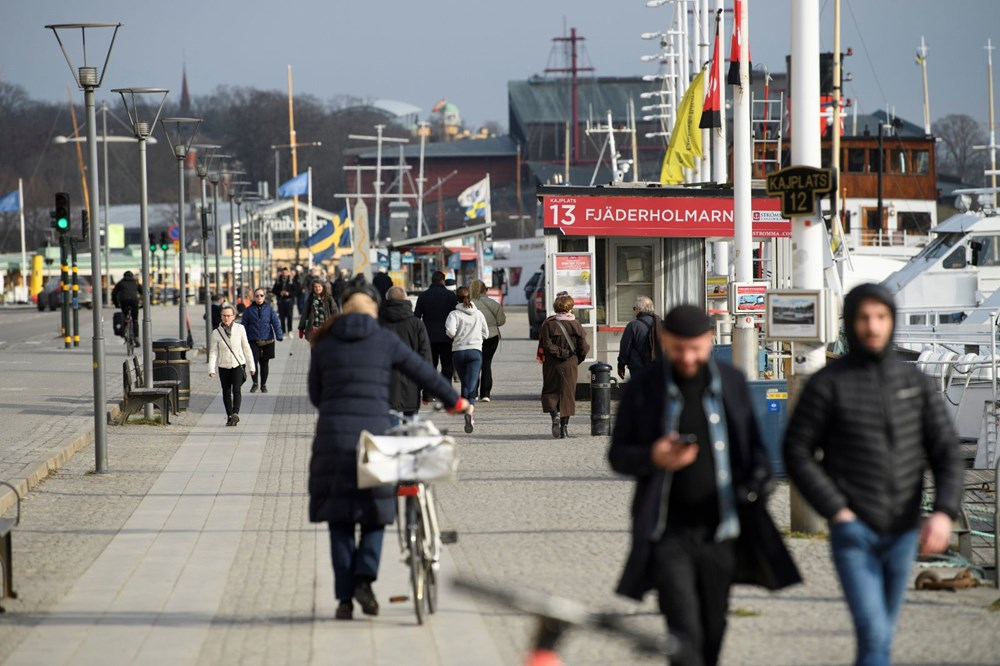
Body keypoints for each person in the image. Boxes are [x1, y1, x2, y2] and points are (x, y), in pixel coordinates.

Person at [609, 304, 800, 666]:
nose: (688, 357)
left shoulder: (730, 381)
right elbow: (618, 456)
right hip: (667, 531)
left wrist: (758, 485)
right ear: (665, 341)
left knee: (713, 628)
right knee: (683, 631)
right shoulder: (644, 389)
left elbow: (756, 453)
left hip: (722, 529)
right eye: (679, 348)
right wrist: (654, 456)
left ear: (710, 341)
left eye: (696, 348)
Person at [783, 284, 962, 666]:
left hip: (904, 530)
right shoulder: (827, 383)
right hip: (853, 532)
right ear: (850, 322)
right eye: (864, 317)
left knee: (883, 634)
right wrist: (836, 510)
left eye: (881, 317)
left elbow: (946, 452)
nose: (873, 326)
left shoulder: (915, 383)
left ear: (891, 321)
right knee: (874, 635)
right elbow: (796, 451)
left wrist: (944, 512)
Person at [308, 276, 470, 621]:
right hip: (375, 441)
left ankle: (344, 600)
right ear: (373, 309)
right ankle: (365, 578)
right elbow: (423, 372)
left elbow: (315, 396)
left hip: (332, 441)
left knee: (339, 522)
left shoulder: (323, 342)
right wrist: (457, 402)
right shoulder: (382, 339)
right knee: (374, 515)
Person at [538, 294, 589, 438]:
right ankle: (564, 429)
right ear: (570, 307)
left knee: (550, 391)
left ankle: (554, 415)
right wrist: (576, 359)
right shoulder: (576, 324)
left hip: (551, 363)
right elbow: (584, 347)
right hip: (570, 364)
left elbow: (546, 345)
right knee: (568, 394)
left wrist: (559, 352)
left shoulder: (548, 324)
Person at [379, 286, 432, 420]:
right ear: (406, 300)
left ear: (386, 300)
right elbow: (425, 357)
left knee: (391, 430)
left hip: (385, 385)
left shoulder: (378, 324)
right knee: (410, 431)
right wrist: (427, 393)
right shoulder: (416, 324)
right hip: (412, 385)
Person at [445, 286, 489, 434]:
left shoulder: (454, 314)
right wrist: (476, 338)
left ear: (456, 298)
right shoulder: (478, 314)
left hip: (458, 351)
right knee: (472, 383)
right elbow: (486, 333)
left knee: (465, 382)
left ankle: (466, 409)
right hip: (475, 352)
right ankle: (469, 411)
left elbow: (450, 332)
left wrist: (457, 336)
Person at [208, 304, 256, 426]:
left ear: (234, 316)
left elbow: (246, 348)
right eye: (224, 316)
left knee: (236, 389)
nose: (226, 318)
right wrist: (211, 369)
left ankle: (235, 413)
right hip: (223, 366)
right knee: (226, 391)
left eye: (229, 316)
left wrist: (252, 366)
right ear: (221, 316)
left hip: (238, 364)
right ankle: (230, 416)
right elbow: (213, 352)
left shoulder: (240, 329)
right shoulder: (216, 332)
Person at [414, 271, 458, 397]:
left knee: (430, 365)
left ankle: (429, 394)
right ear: (443, 281)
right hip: (446, 337)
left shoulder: (423, 296)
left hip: (428, 337)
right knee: (447, 366)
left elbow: (416, 316)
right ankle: (446, 393)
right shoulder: (450, 296)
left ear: (431, 281)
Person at [470, 279, 506, 402]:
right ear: (486, 290)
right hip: (491, 337)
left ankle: (473, 392)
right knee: (486, 363)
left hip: (473, 338)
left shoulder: (468, 303)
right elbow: (501, 321)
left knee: (474, 365)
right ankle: (485, 394)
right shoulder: (493, 304)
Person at [243, 287, 284, 393]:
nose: (259, 297)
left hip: (267, 340)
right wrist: (241, 338)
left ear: (264, 297)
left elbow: (275, 322)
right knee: (253, 362)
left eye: (261, 295)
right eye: (257, 296)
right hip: (253, 340)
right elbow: (244, 325)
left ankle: (263, 385)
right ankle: (255, 383)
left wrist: (279, 335)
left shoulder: (269, 309)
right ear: (254, 297)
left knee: (264, 363)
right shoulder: (249, 310)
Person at [617, 295, 661, 380]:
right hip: (657, 366)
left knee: (640, 392)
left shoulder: (633, 325)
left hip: (637, 367)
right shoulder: (660, 324)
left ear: (638, 309)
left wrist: (621, 365)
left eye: (634, 308)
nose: (634, 311)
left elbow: (625, 347)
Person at [111, 270, 141, 339]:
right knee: (135, 320)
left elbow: (114, 294)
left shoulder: (120, 283)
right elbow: (142, 292)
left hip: (124, 301)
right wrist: (143, 304)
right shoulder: (135, 282)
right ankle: (136, 337)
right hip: (134, 302)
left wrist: (116, 304)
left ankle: (124, 331)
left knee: (124, 316)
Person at [271, 266, 300, 335]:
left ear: (288, 273)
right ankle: (283, 331)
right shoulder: (278, 281)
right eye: (283, 272)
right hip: (281, 301)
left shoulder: (291, 281)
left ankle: (290, 330)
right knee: (282, 316)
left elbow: (296, 291)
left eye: (286, 272)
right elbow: (273, 290)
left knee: (290, 316)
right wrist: (280, 293)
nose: (284, 274)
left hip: (289, 301)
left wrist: (288, 293)